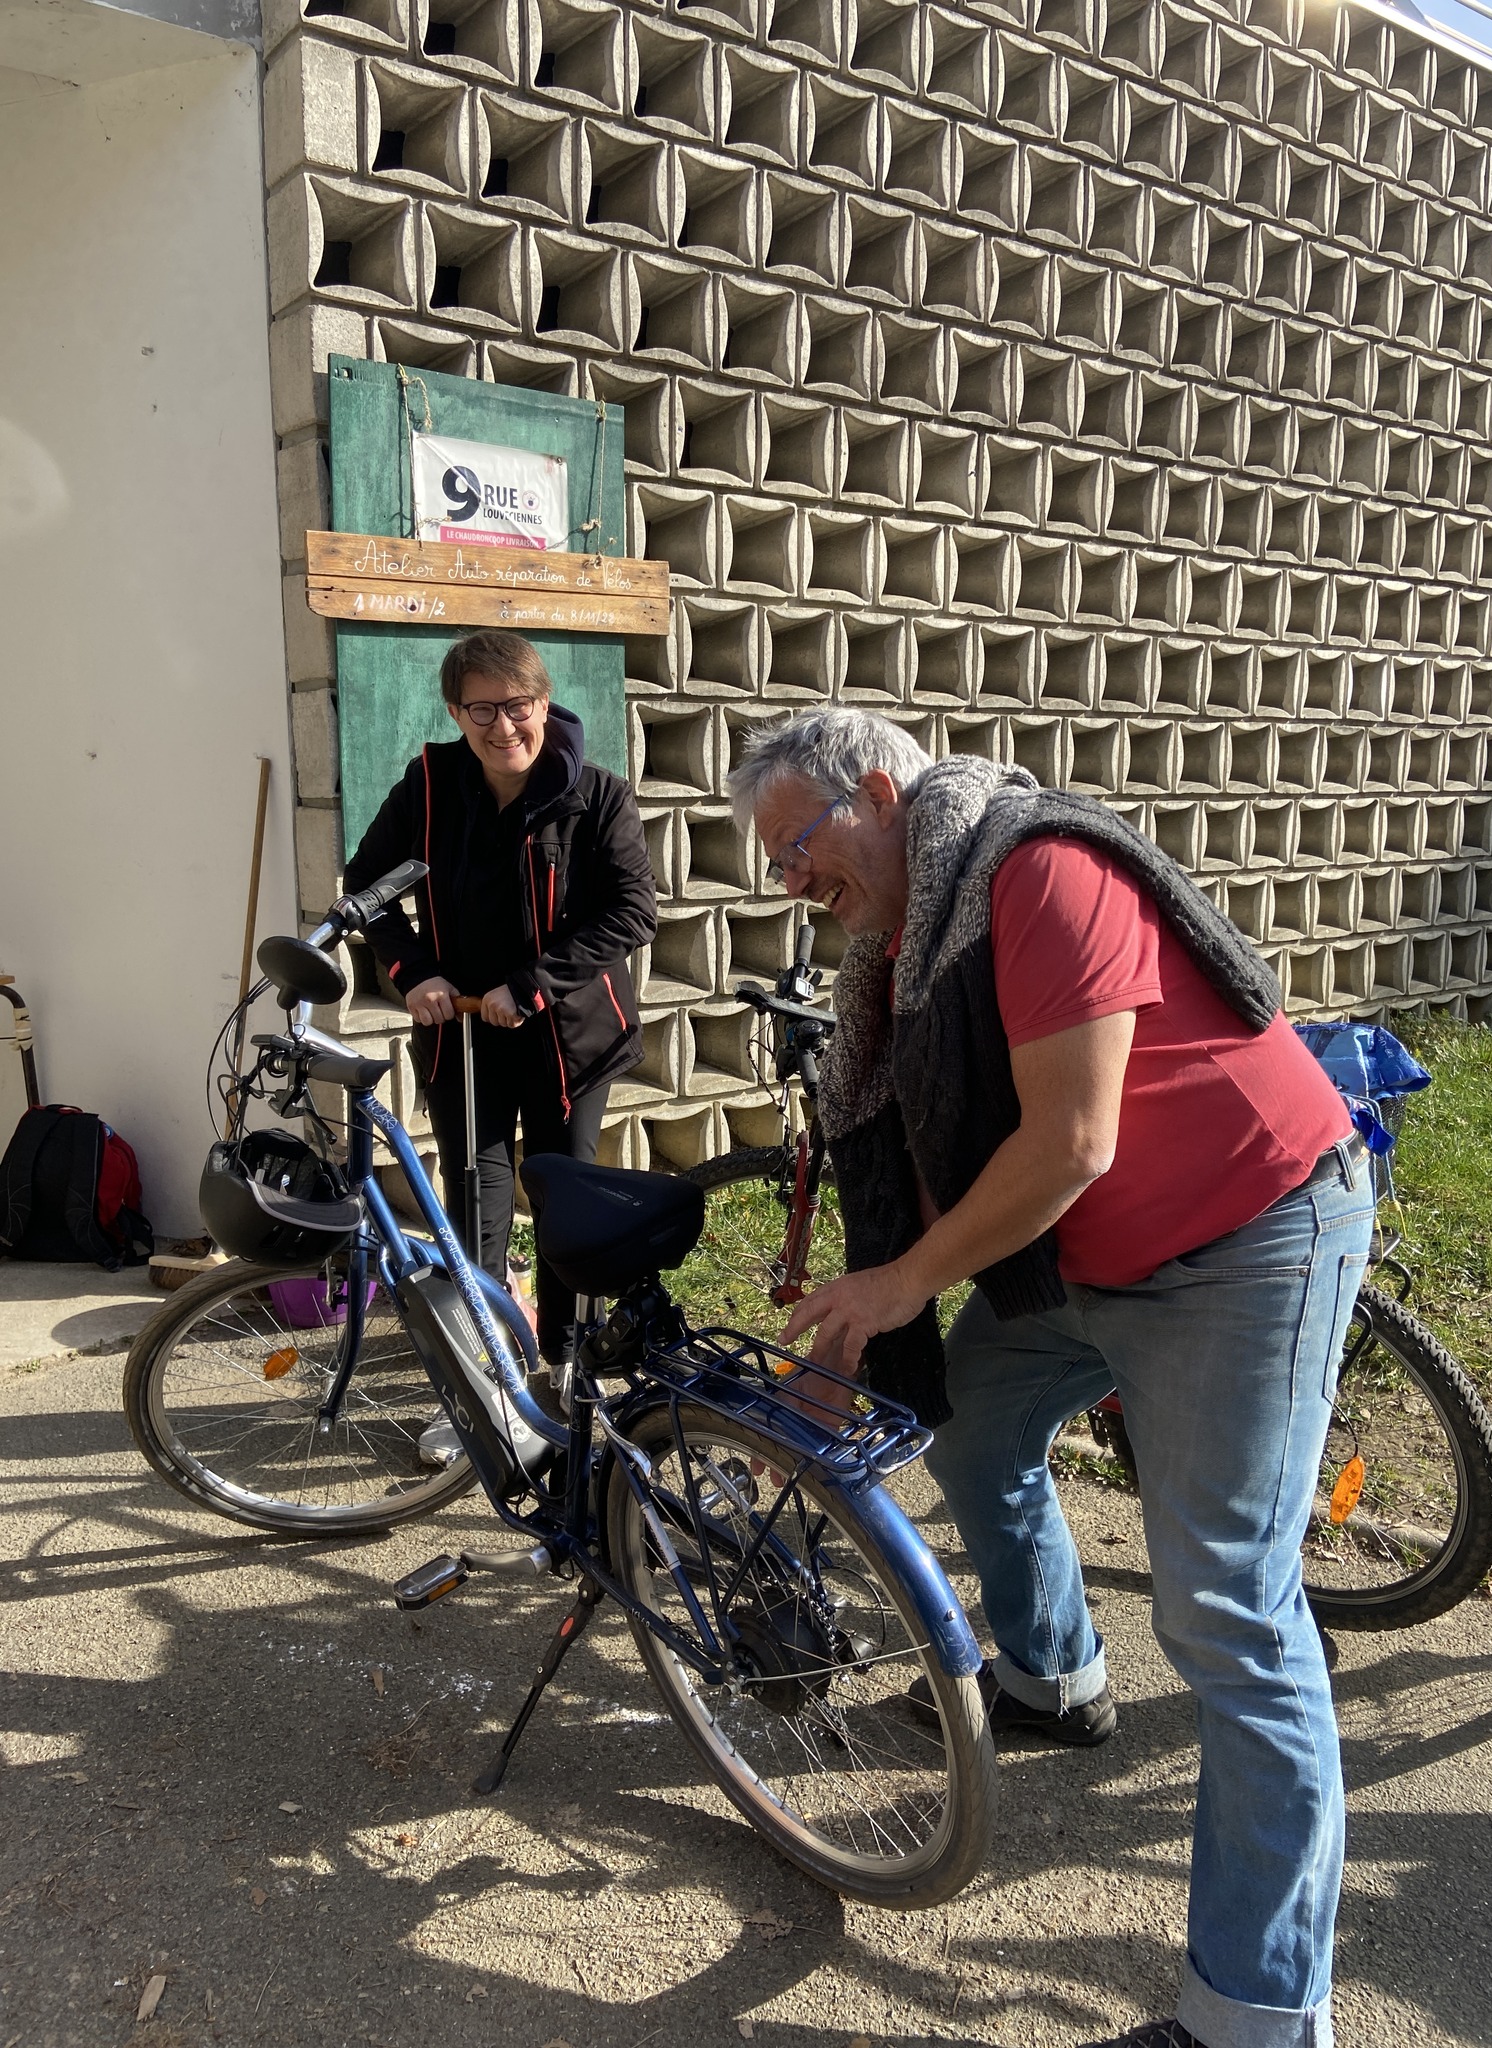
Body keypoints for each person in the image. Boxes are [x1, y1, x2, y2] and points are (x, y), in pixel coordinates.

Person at [727, 706, 1373, 2048]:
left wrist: (903, 1286)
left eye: (798, 842)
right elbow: (931, 1161)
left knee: (1231, 1624)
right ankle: (1053, 1676)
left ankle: (1255, 2016)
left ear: (886, 792)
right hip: (1093, 1263)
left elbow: (1071, 1137)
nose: (789, 880)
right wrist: (862, 1336)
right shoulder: (911, 943)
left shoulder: (1036, 866)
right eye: (772, 861)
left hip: (1249, 1237)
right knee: (970, 1430)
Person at [344, 631, 657, 1417]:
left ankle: (562, 1364)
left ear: (543, 704)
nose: (502, 726)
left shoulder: (599, 794)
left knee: (559, 1194)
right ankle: (481, 1376)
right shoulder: (428, 785)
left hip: (567, 1037)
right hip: (464, 1034)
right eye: (480, 708)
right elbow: (367, 885)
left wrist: (533, 983)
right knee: (474, 1194)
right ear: (456, 711)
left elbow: (633, 910)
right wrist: (413, 973)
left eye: (517, 706)